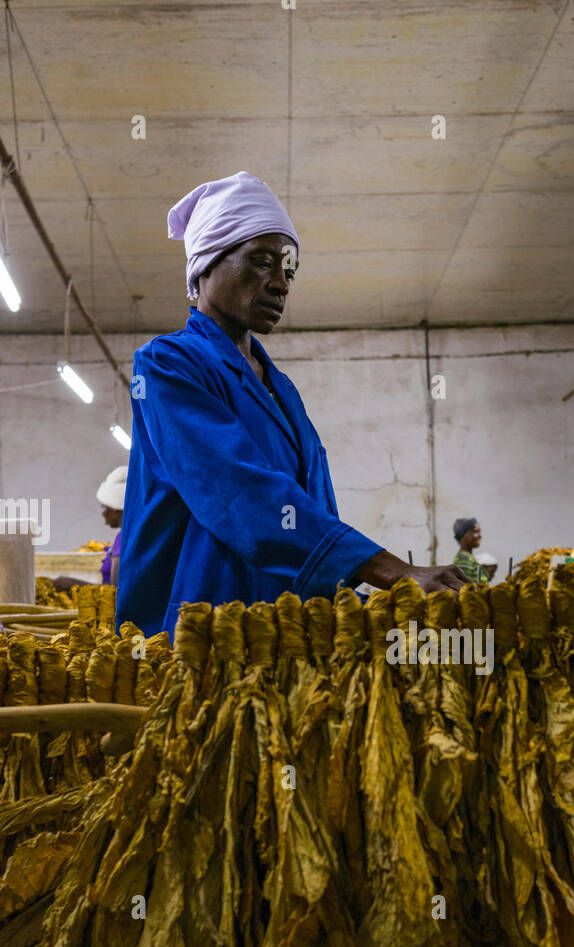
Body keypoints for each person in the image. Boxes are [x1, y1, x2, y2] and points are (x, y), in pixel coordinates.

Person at [116, 171, 464, 638]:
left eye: (288, 270)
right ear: (205, 266)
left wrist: (348, 599)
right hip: (205, 629)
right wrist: (392, 571)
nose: (281, 283)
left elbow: (310, 507)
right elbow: (238, 489)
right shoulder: (168, 365)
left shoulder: (279, 388)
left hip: (284, 629)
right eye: (261, 262)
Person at [51, 465, 127, 593]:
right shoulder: (130, 536)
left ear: (116, 508)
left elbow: (115, 593)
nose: (102, 513)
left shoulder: (123, 539)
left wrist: (73, 584)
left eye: (104, 506)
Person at [452, 518, 488, 583]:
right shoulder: (464, 559)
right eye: (475, 532)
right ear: (463, 535)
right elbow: (464, 588)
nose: (480, 536)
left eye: (479, 532)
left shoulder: (468, 557)